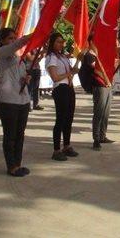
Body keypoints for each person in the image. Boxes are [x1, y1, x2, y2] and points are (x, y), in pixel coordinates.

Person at [0, 28, 31, 177]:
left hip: (22, 100)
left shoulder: (19, 59)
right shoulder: (2, 53)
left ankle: (18, 163)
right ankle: (11, 166)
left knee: (20, 134)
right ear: (2, 40)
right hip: (8, 101)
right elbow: (15, 46)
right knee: (10, 135)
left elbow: (22, 76)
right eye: (10, 38)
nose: (13, 40)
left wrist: (26, 79)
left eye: (14, 38)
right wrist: (34, 36)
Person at [46, 32, 79, 161]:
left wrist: (79, 60)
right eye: (58, 42)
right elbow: (55, 77)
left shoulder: (63, 57)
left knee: (69, 118)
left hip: (69, 87)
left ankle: (67, 145)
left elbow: (72, 72)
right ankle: (56, 149)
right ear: (52, 43)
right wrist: (69, 73)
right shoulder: (51, 57)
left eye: (62, 42)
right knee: (60, 119)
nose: (61, 44)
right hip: (60, 89)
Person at [85, 35, 116, 151]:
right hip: (100, 85)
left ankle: (103, 135)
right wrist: (106, 79)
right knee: (99, 111)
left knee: (106, 112)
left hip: (107, 85)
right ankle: (96, 138)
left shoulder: (101, 54)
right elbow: (96, 70)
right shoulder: (89, 55)